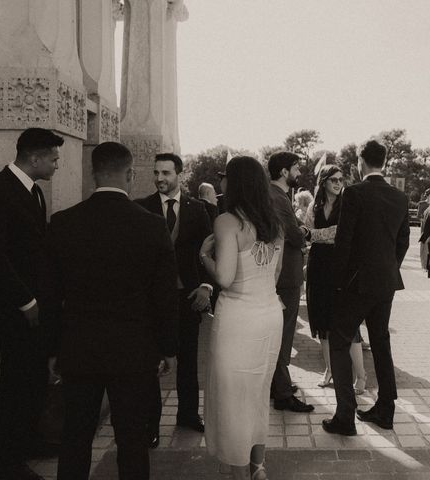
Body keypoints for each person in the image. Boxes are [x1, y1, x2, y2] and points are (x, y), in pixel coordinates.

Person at [42, 142, 178, 480]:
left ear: (93, 173)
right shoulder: (150, 225)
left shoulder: (63, 223)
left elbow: (49, 294)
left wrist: (52, 348)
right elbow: (164, 296)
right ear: (130, 174)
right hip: (133, 350)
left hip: (79, 347)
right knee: (132, 438)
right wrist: (168, 348)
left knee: (75, 436)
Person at [0, 128, 64, 480]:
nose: (57, 164)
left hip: (34, 305)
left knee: (34, 377)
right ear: (34, 157)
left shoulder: (35, 192)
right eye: (53, 158)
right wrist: (25, 301)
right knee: (15, 381)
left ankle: (29, 440)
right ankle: (7, 460)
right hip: (13, 307)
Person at [200, 155, 284, 480]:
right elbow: (274, 274)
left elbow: (224, 278)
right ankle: (258, 467)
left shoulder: (227, 222)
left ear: (234, 183)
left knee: (234, 397)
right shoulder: (274, 222)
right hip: (268, 314)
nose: (221, 182)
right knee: (258, 392)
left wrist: (204, 256)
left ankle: (237, 473)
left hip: (238, 318)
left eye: (225, 177)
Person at [323, 140, 409, 436]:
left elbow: (344, 241)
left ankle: (345, 415)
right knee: (381, 342)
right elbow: (402, 242)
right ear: (384, 161)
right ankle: (386, 409)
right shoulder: (399, 197)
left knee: (339, 339)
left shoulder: (355, 193)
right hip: (386, 282)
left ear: (360, 161)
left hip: (356, 282)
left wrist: (336, 282)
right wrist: (388, 268)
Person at [137, 153, 213, 444]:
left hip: (187, 297)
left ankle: (189, 415)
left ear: (179, 174)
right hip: (151, 300)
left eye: (166, 173)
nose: (159, 179)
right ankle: (150, 424)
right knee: (152, 361)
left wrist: (206, 286)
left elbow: (210, 250)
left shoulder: (197, 209)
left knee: (189, 359)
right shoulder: (142, 207)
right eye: (156, 173)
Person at [304, 165, 365, 393]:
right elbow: (306, 232)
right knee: (322, 322)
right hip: (318, 265)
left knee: (347, 323)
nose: (338, 183)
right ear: (324, 182)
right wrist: (315, 235)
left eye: (341, 180)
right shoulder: (314, 205)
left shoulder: (347, 204)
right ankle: (329, 369)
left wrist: (316, 235)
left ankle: (360, 375)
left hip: (341, 266)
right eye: (333, 180)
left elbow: (340, 232)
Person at [267, 151, 314, 413]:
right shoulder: (278, 197)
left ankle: (279, 384)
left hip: (280, 275)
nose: (298, 173)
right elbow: (293, 235)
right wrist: (304, 233)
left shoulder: (273, 195)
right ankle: (283, 394)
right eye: (296, 168)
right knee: (284, 335)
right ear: (284, 171)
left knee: (281, 333)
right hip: (284, 277)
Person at [417, 188, 430, 270]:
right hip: (425, 228)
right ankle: (424, 265)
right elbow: (419, 216)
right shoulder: (422, 204)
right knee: (424, 246)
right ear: (427, 195)